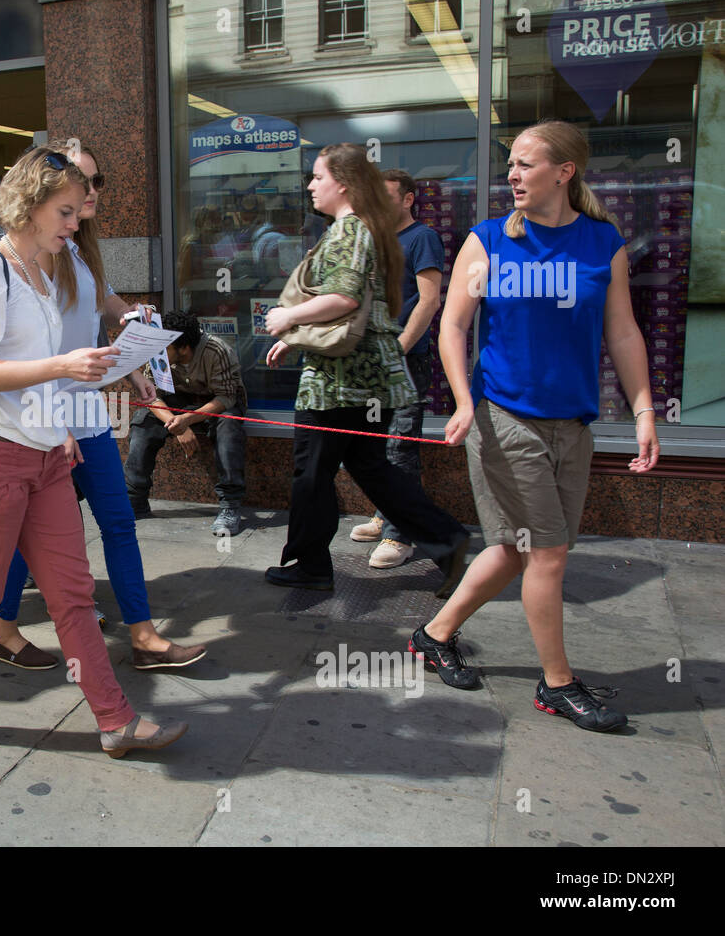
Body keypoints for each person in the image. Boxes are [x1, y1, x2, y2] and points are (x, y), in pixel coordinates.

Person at [0, 144, 186, 757]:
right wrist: (64, 365)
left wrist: (70, 403)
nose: (76, 223)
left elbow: (49, 362)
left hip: (45, 451)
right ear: (32, 204)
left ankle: (115, 719)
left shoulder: (49, 261)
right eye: (67, 211)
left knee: (72, 594)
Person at [411, 120, 659, 733]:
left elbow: (622, 331)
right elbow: (453, 326)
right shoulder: (488, 240)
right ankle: (557, 684)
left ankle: (434, 633)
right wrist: (463, 402)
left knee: (516, 549)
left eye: (525, 164)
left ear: (564, 172)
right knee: (547, 551)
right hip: (504, 418)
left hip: (572, 423)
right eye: (511, 165)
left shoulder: (603, 243)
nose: (513, 176)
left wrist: (646, 410)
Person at [0, 140, 208, 673]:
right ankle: (2, 627)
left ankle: (142, 634)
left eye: (92, 184)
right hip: (41, 419)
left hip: (84, 414)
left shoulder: (77, 253)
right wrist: (57, 422)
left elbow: (104, 315)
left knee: (117, 521)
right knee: (29, 532)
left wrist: (137, 354)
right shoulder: (7, 257)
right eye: (76, 187)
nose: (87, 194)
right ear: (39, 195)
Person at [261, 143, 469, 596]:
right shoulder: (362, 230)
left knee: (312, 470)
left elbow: (346, 298)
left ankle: (311, 565)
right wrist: (294, 339)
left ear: (345, 184)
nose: (311, 185)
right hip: (354, 378)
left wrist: (288, 319)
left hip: (337, 383)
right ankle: (447, 541)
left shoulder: (349, 231)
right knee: (370, 469)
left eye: (318, 177)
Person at [350, 169, 446, 569]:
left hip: (405, 361)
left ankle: (401, 536)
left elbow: (429, 301)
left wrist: (399, 348)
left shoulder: (422, 238)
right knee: (374, 444)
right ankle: (385, 514)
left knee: (400, 446)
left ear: (408, 199)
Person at [124, 309, 247, 536]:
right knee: (142, 424)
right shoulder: (158, 354)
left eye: (165, 347)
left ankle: (230, 505)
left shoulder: (216, 351)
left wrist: (189, 419)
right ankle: (135, 498)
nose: (158, 351)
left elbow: (226, 397)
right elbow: (150, 395)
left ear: (183, 347)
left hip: (214, 402)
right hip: (176, 404)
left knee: (229, 427)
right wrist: (177, 424)